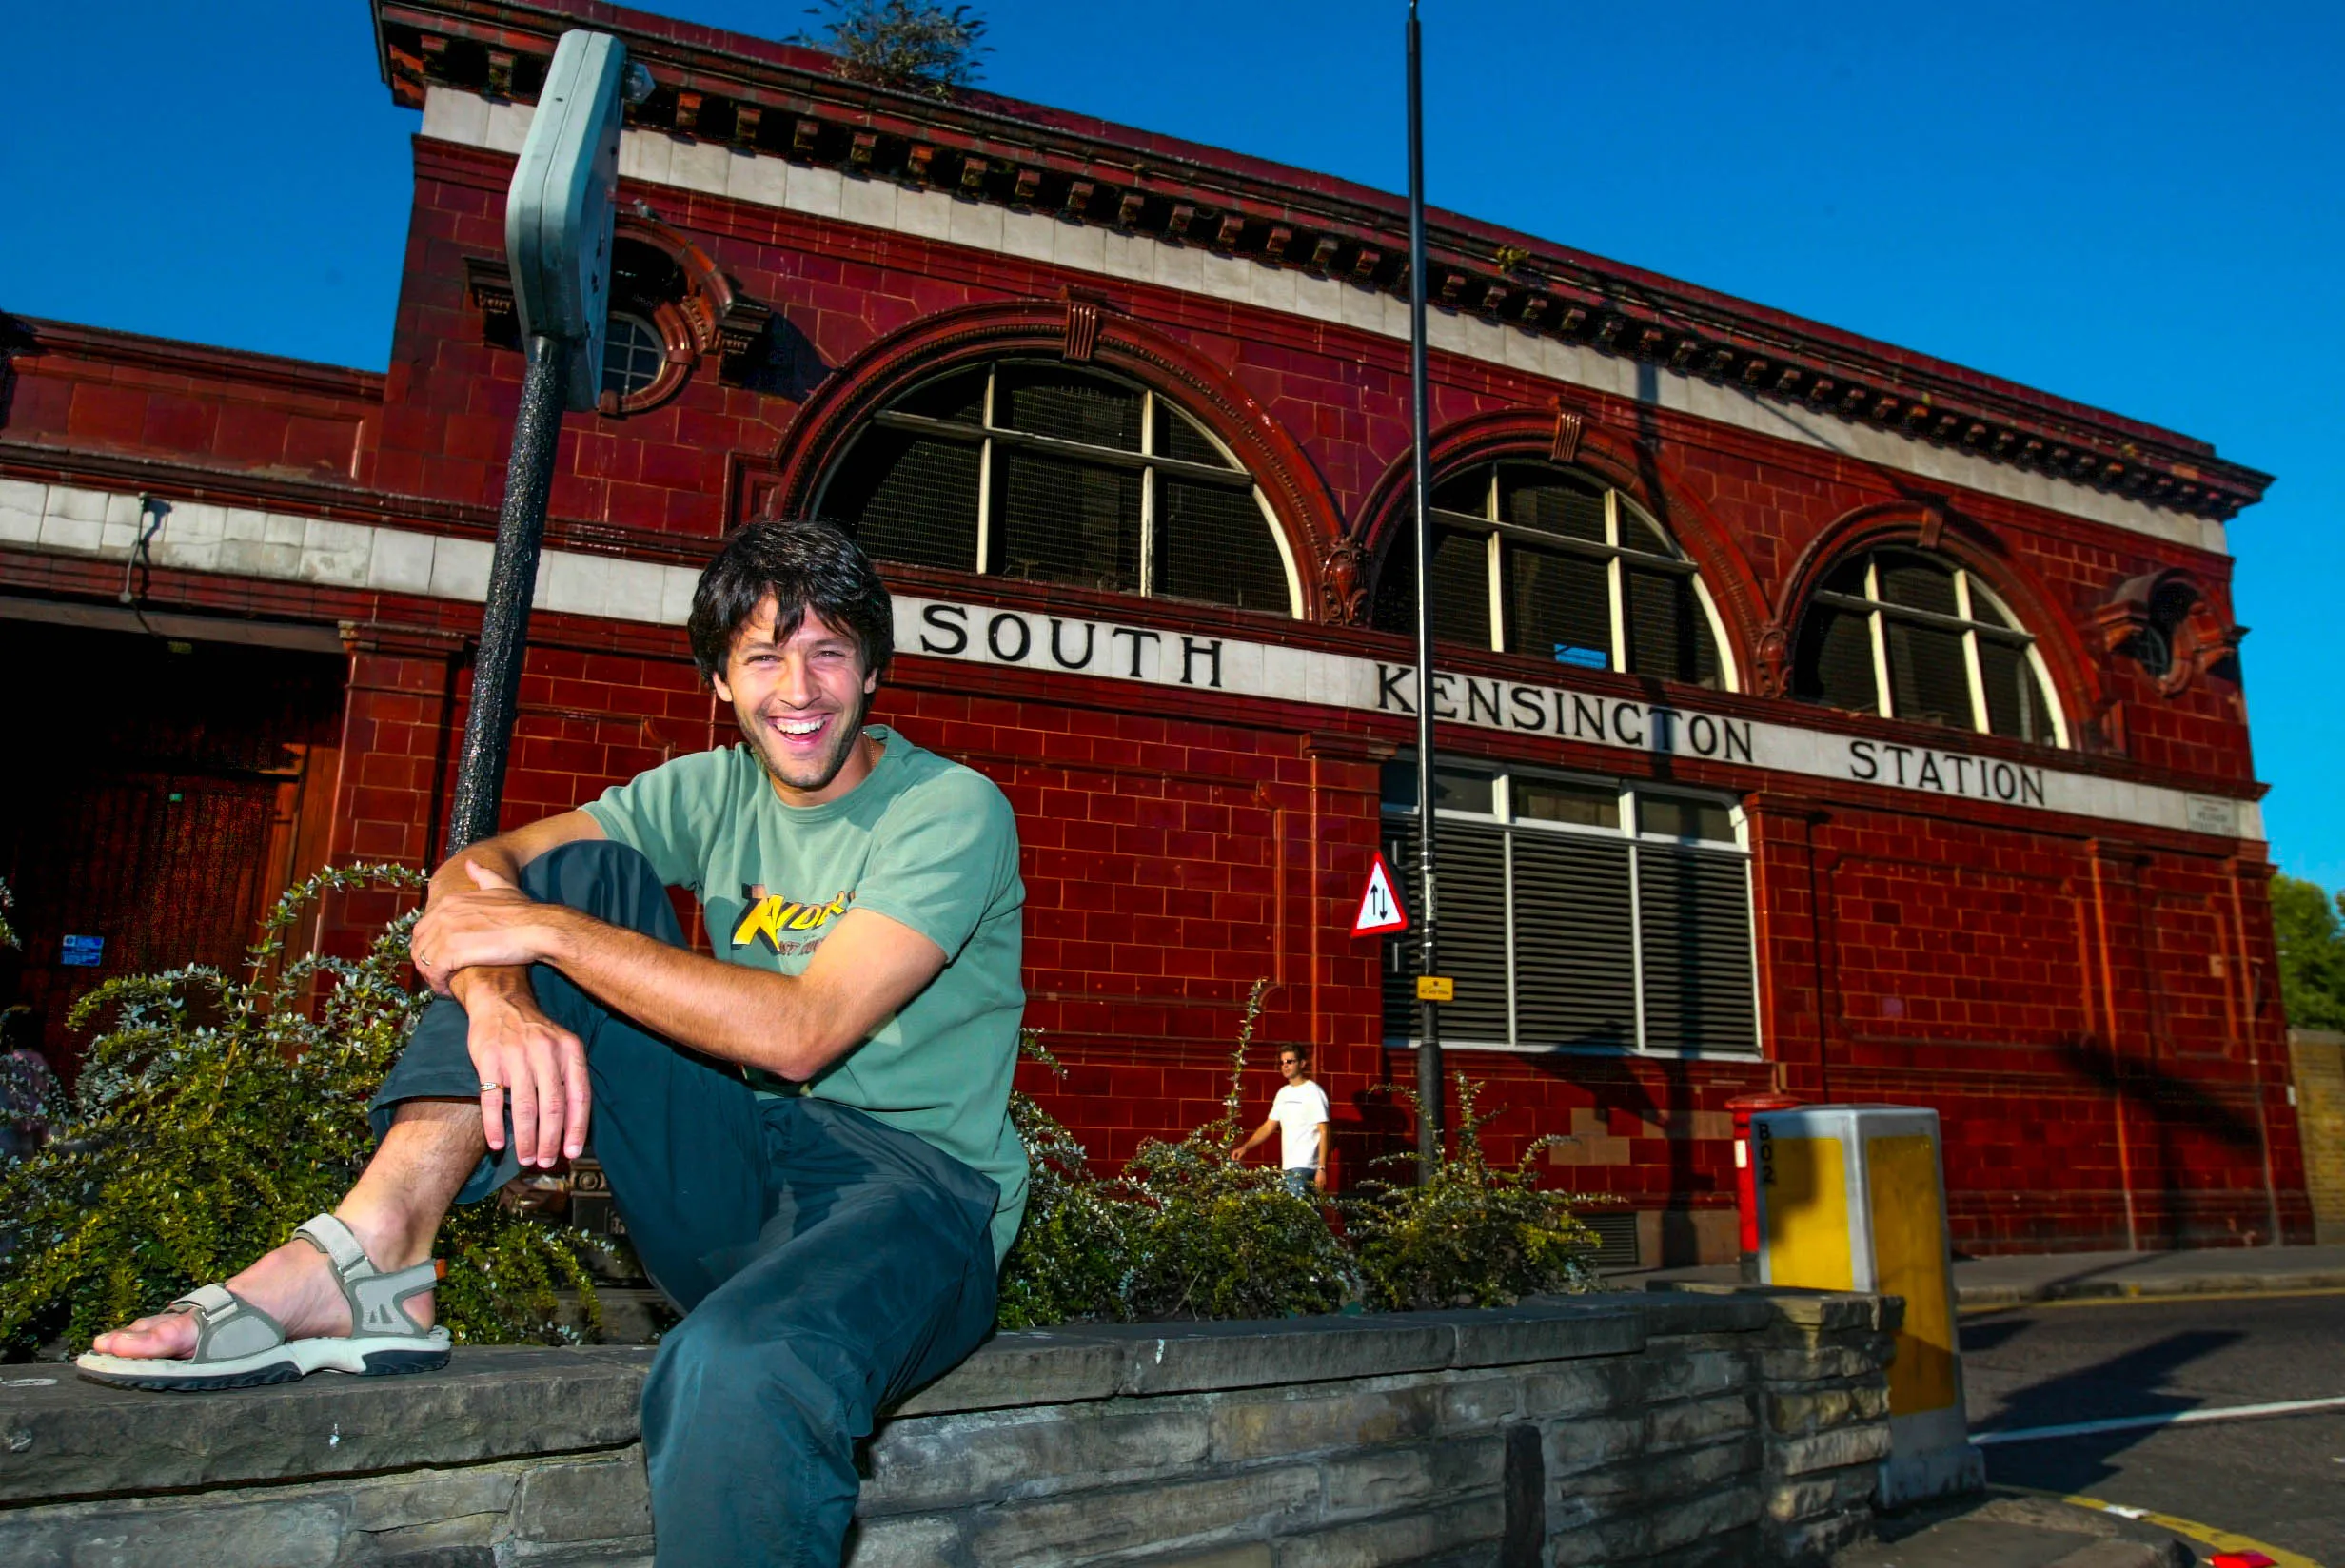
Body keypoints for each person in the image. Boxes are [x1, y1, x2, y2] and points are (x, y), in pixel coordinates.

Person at [76, 520, 1029, 1568]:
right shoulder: (707, 790)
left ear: (874, 670)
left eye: (828, 653)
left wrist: (543, 935)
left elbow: (802, 1033)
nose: (797, 690)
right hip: (744, 1163)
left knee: (736, 1369)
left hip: (916, 1197)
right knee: (572, 875)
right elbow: (475, 873)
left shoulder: (950, 808)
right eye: (763, 655)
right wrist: (500, 1001)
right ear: (719, 679)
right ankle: (373, 1247)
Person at [1233, 1044, 1330, 1196]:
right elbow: (1268, 1126)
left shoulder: (1313, 1092)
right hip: (1288, 1166)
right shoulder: (1283, 1094)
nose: (1285, 1066)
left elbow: (1324, 1131)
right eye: (1283, 1062)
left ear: (1302, 1064)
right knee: (1304, 1214)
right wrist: (1245, 1147)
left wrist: (1321, 1168)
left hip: (1305, 1165)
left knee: (1299, 1212)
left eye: (1290, 1061)